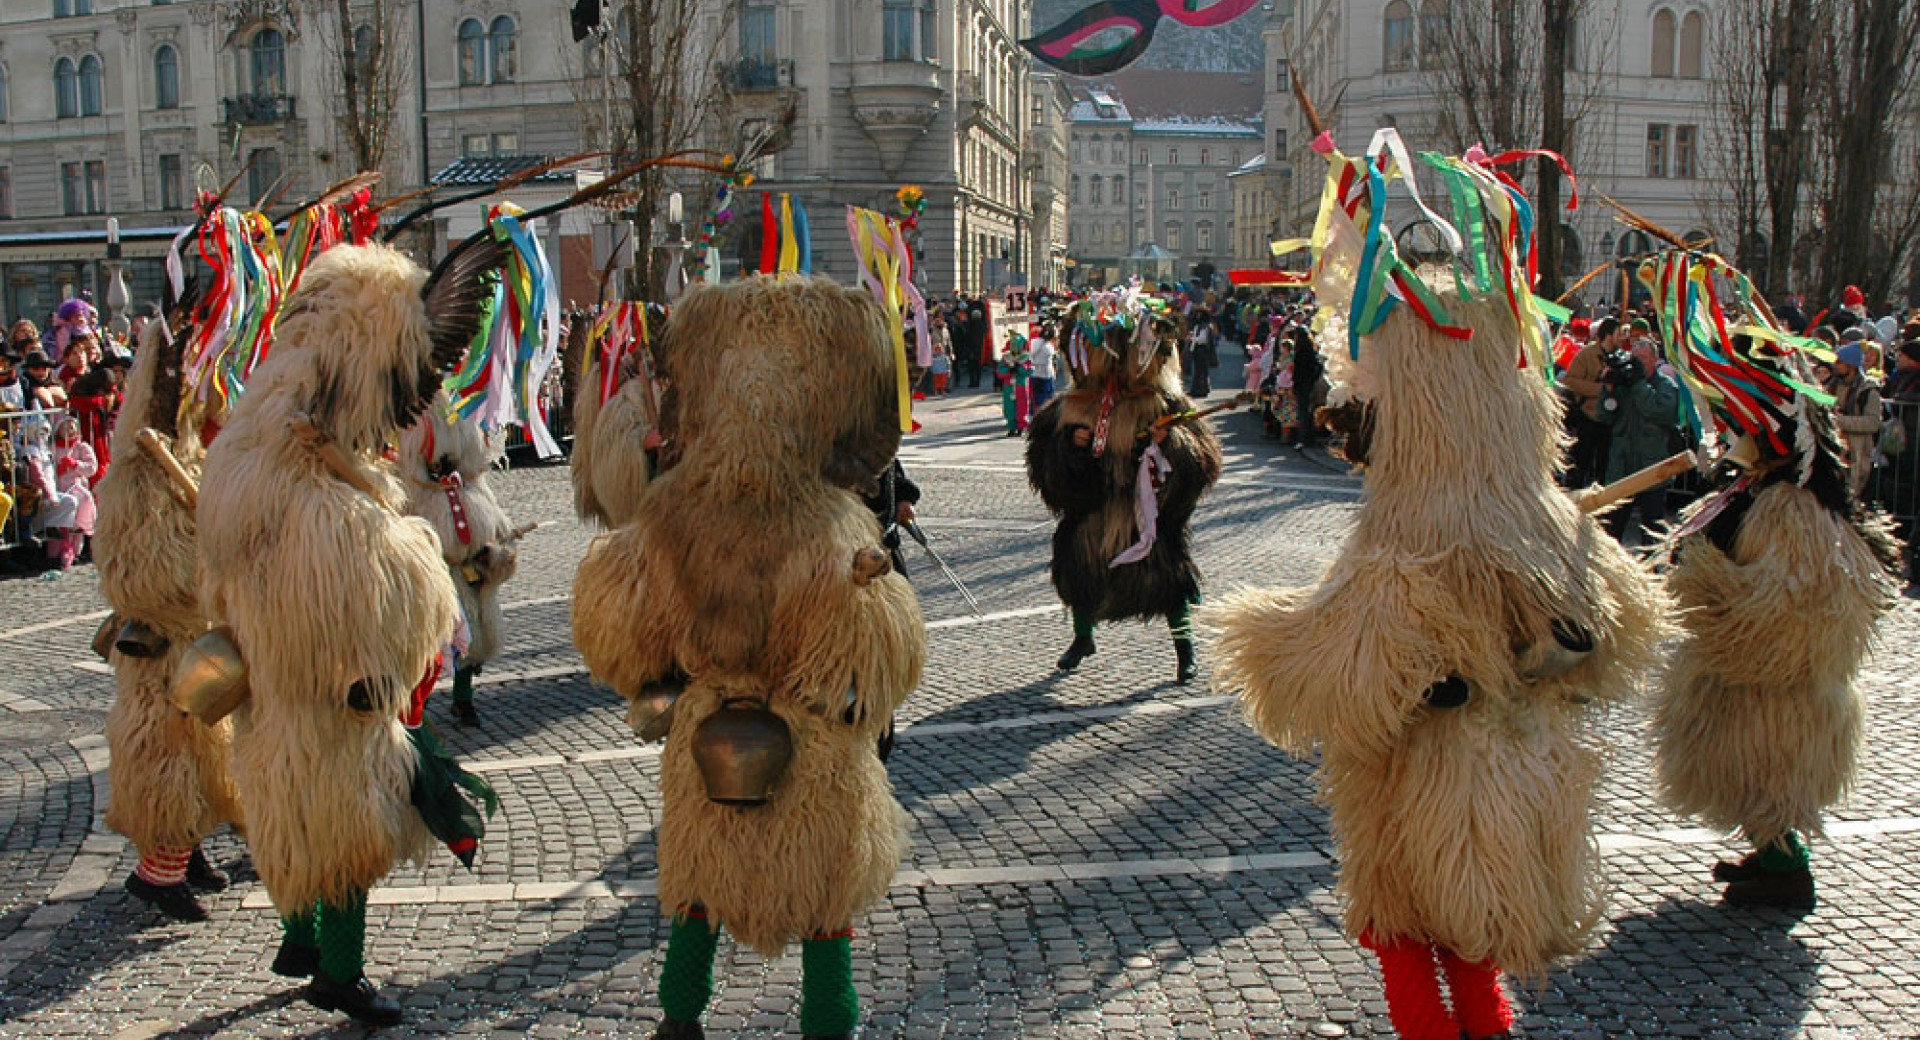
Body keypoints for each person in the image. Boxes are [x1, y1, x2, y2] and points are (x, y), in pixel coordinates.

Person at [1027, 293, 1223, 685]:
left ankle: (1185, 649)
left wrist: (1168, 445)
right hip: (1094, 513)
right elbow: (1044, 470)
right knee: (1080, 575)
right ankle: (1083, 638)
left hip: (1144, 516)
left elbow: (1202, 466)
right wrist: (1070, 450)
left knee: (1169, 584)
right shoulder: (1070, 407)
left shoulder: (1164, 404)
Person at [1599, 336, 1682, 544]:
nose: (1638, 363)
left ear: (1655, 359)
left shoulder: (1665, 386)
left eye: (1644, 359)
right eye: (1635, 359)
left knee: (1652, 530)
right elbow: (1604, 415)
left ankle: (1651, 571)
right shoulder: (1623, 383)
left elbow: (1659, 411)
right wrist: (1609, 390)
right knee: (1613, 528)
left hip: (1652, 467)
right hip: (1622, 467)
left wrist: (1637, 383)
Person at [1560, 316, 1626, 486]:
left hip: (1611, 420)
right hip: (1589, 417)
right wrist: (1600, 390)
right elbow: (1570, 381)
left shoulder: (1623, 357)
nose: (1622, 338)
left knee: (1606, 467)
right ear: (1609, 335)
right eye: (1619, 333)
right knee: (1582, 463)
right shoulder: (1587, 355)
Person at [1825, 342, 1883, 499]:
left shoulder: (1868, 390)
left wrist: (1840, 421)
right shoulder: (1831, 386)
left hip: (1857, 453)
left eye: (1839, 362)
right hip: (1835, 450)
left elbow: (1873, 422)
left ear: (1850, 365)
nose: (1835, 366)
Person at [1027, 323, 1057, 410]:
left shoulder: (1032, 342)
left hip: (1034, 374)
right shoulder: (1048, 346)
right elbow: (1052, 357)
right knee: (1047, 399)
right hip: (1046, 375)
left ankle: (1034, 414)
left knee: (1035, 398)